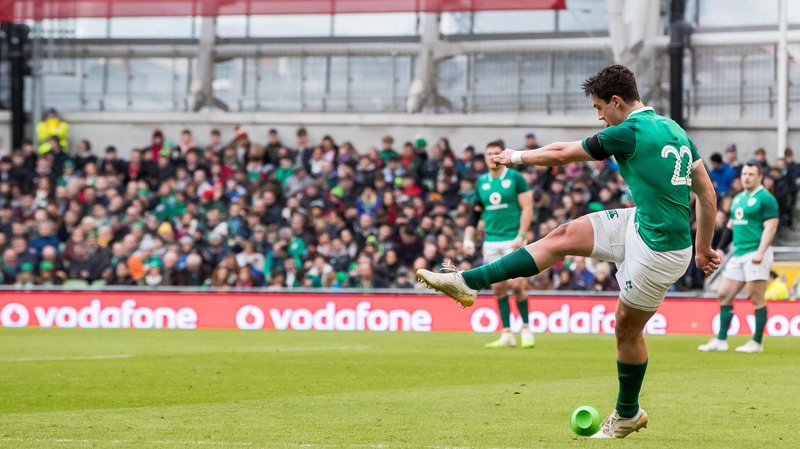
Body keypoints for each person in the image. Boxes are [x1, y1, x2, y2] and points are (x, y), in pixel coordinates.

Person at [416, 65, 720, 439]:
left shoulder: (628, 131)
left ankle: (627, 412)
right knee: (562, 236)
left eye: (599, 108)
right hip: (642, 222)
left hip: (661, 249)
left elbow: (563, 154)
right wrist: (704, 248)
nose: (599, 117)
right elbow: (707, 194)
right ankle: (467, 282)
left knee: (626, 328)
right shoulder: (674, 129)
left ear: (617, 101)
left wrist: (516, 157)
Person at [699, 163, 779, 354]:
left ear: (760, 177)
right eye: (744, 174)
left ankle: (757, 342)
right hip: (739, 253)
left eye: (751, 174)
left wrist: (761, 251)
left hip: (755, 252)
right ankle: (721, 340)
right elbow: (731, 225)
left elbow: (771, 227)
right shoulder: (738, 199)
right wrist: (720, 248)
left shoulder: (766, 199)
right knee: (724, 294)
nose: (746, 177)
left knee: (755, 296)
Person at [463, 140, 534, 349]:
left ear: (502, 156)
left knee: (517, 285)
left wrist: (522, 234)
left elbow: (528, 208)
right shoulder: (482, 182)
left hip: (513, 238)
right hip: (491, 241)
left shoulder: (516, 178)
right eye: (488, 153)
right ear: (484, 157)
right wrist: (468, 237)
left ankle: (527, 328)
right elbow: (474, 215)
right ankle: (506, 333)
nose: (492, 156)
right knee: (498, 288)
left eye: (496, 153)